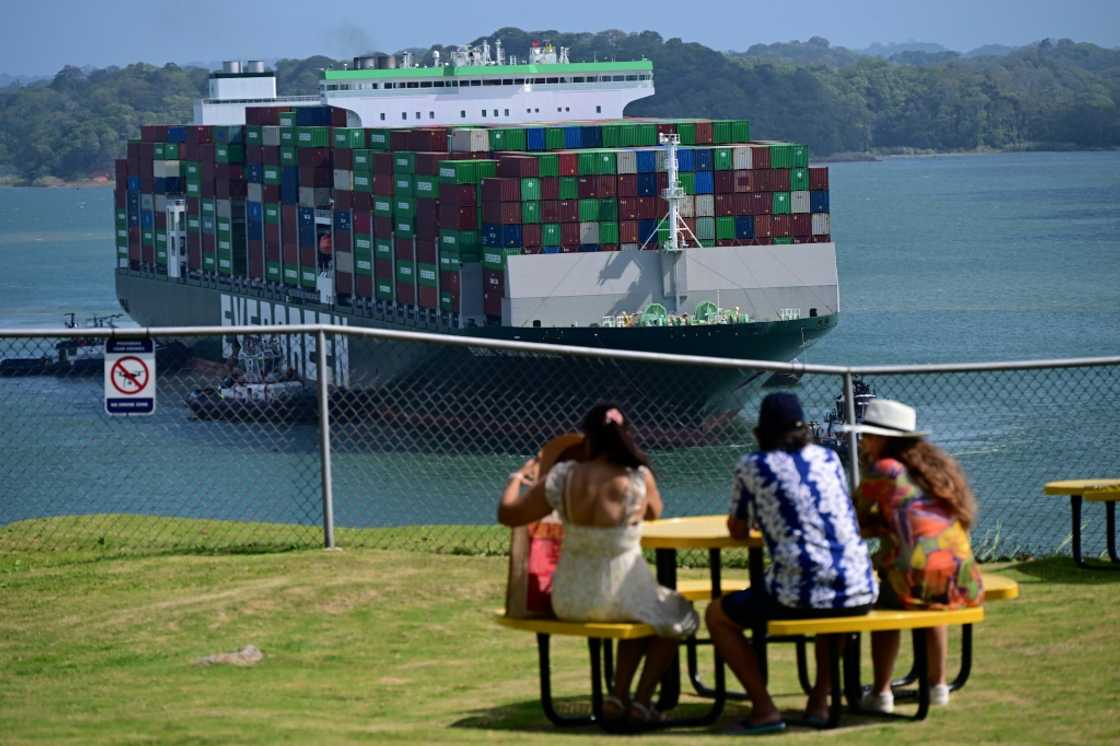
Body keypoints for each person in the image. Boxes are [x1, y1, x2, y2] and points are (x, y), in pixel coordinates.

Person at [498, 403, 698, 725]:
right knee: (677, 616)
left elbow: (508, 515)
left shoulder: (562, 477)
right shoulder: (638, 478)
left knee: (646, 612)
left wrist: (518, 477)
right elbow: (654, 512)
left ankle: (617, 698)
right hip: (623, 593)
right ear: (626, 436)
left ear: (587, 438)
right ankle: (641, 700)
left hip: (569, 599)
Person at [705, 392, 878, 733]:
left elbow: (737, 530)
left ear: (761, 432)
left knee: (717, 616)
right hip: (859, 585)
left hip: (797, 591)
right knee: (834, 611)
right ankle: (819, 699)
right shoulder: (829, 459)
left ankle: (764, 707)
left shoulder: (752, 465)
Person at [845, 399, 984, 712]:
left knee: (882, 605)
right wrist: (885, 524)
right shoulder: (933, 471)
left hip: (914, 577)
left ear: (883, 439)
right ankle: (938, 685)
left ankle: (881, 692)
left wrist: (877, 525)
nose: (862, 442)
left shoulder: (883, 470)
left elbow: (849, 517)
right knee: (932, 600)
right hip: (961, 579)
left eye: (867, 435)